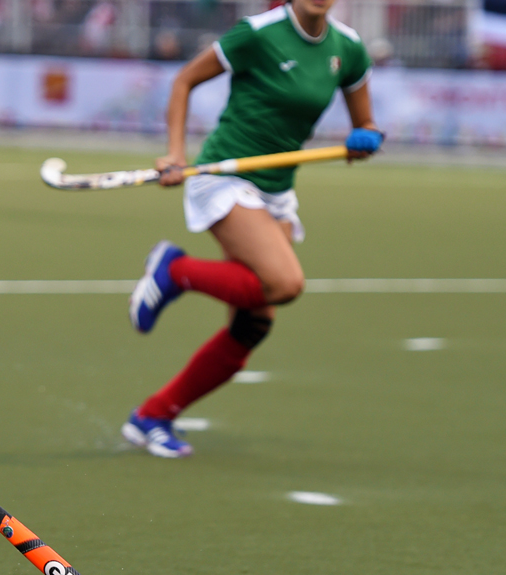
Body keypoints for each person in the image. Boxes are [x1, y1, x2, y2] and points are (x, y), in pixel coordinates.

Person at [123, 0, 383, 458]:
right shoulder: (258, 33)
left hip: (276, 191)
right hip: (226, 176)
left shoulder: (349, 48)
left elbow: (366, 125)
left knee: (253, 324)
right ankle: (175, 270)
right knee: (285, 283)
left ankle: (153, 415)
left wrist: (366, 137)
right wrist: (176, 154)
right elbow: (184, 80)